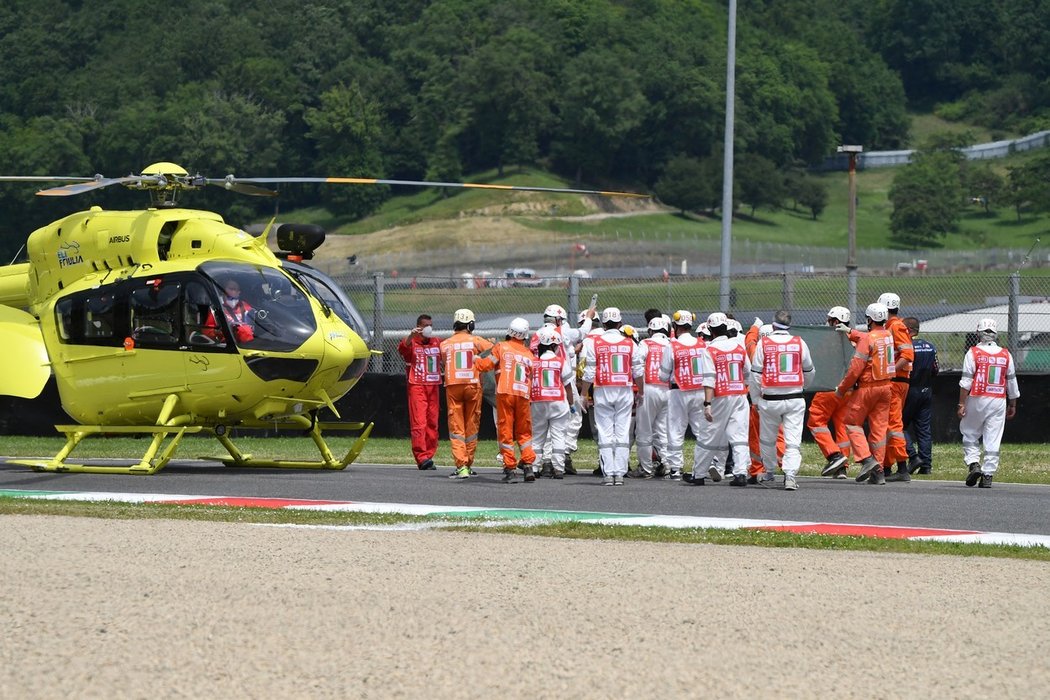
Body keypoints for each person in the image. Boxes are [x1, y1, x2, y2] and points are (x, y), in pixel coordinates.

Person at [749, 310, 814, 490]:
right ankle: (790, 476)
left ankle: (769, 472)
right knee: (792, 441)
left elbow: (755, 374)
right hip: (794, 398)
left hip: (770, 399)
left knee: (767, 439)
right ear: (789, 325)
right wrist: (803, 387)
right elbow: (809, 370)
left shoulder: (764, 343)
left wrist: (755, 398)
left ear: (773, 324)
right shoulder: (800, 343)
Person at [579, 307, 644, 486]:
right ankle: (620, 473)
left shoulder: (594, 343)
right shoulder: (630, 343)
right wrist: (642, 391)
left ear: (604, 324)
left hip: (602, 390)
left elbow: (589, 371)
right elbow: (638, 371)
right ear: (620, 323)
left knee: (605, 432)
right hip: (624, 390)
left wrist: (584, 394)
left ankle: (608, 473)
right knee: (622, 432)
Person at [958, 318, 1019, 488]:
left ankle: (973, 463)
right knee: (993, 437)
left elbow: (966, 381)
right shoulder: (1006, 354)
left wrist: (961, 404)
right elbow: (1012, 381)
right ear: (995, 334)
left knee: (970, 432)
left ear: (978, 333)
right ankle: (988, 475)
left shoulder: (973, 353)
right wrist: (1013, 403)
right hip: (998, 400)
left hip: (977, 398)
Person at [839, 303, 895, 485]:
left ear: (869, 319)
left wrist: (841, 389)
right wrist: (849, 331)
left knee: (851, 422)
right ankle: (878, 473)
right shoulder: (888, 335)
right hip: (886, 388)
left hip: (867, 388)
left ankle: (866, 460)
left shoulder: (867, 339)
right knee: (879, 431)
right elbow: (866, 337)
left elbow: (855, 369)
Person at [694, 313, 752, 487]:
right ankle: (741, 472)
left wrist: (707, 404)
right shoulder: (738, 347)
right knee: (739, 435)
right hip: (740, 395)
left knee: (708, 434)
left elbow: (709, 379)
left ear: (710, 330)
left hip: (720, 397)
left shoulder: (710, 350)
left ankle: (698, 474)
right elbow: (748, 373)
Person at [476, 317, 537, 482]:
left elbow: (486, 365)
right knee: (524, 432)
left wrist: (475, 360)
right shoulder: (529, 355)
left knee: (506, 431)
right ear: (524, 336)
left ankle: (510, 469)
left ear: (509, 332)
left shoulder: (501, 347)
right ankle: (528, 466)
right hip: (523, 395)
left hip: (505, 393)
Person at [439, 308, 494, 479]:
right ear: (471, 324)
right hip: (472, 385)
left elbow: (443, 361)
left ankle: (461, 466)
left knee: (456, 428)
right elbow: (493, 352)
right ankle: (468, 463)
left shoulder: (445, 344)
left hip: (453, 386)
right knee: (471, 427)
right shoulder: (476, 341)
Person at [659, 310, 708, 483]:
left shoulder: (672, 346)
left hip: (678, 391)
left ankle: (675, 469)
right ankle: (703, 465)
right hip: (700, 391)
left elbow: (663, 375)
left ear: (675, 326)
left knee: (675, 429)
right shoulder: (702, 345)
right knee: (701, 430)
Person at [809, 306, 855, 478]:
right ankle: (842, 467)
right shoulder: (852, 339)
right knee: (842, 426)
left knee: (816, 421)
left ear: (835, 322)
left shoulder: (828, 340)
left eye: (830, 320)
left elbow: (817, 362)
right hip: (848, 389)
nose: (827, 323)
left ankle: (833, 455)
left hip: (829, 388)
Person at [877, 292, 915, 482]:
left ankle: (902, 467)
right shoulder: (892, 326)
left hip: (897, 382)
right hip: (898, 381)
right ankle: (886, 466)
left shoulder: (896, 326)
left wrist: (889, 371)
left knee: (893, 425)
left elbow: (907, 354)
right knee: (887, 426)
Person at [530, 325, 576, 479]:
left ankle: (535, 467)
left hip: (537, 402)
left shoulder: (534, 363)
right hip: (558, 403)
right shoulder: (561, 361)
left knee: (537, 437)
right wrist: (571, 404)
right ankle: (558, 468)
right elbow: (568, 386)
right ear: (554, 345)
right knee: (558, 436)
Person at [629, 315, 671, 478]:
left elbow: (637, 365)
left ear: (650, 330)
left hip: (649, 387)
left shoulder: (646, 343)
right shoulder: (670, 343)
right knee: (662, 430)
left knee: (644, 430)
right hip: (668, 390)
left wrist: (640, 390)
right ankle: (668, 464)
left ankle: (646, 468)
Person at [397, 314, 441, 470]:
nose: (429, 328)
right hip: (417, 386)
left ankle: (429, 455)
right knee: (419, 422)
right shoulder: (412, 343)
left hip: (433, 386)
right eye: (425, 325)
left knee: (432, 423)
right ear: (419, 326)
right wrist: (411, 335)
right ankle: (421, 457)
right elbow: (402, 349)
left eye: (430, 325)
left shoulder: (437, 342)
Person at [902, 316, 938, 474]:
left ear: (908, 330)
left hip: (909, 391)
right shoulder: (931, 346)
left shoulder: (907, 347)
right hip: (926, 390)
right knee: (924, 430)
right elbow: (936, 369)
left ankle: (913, 455)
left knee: (898, 425)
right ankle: (926, 466)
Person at [219, 278, 255, 343]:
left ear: (239, 292)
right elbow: (209, 331)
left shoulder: (246, 307)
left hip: (245, 344)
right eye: (231, 289)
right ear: (223, 290)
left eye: (236, 290)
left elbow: (252, 328)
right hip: (226, 345)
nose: (234, 292)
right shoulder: (217, 306)